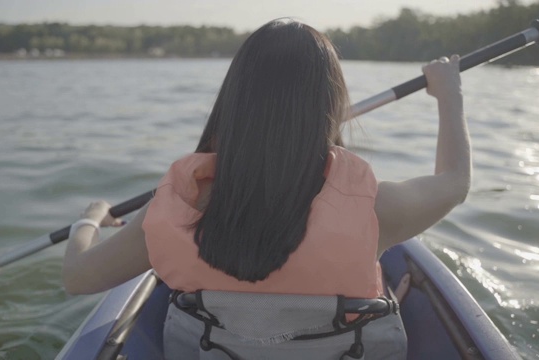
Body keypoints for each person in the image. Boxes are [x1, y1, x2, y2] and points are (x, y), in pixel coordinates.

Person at [62, 19, 470, 359]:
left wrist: (91, 218)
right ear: (330, 104)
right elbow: (454, 183)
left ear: (235, 102)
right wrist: (448, 94)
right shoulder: (375, 209)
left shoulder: (174, 209)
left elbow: (79, 277)